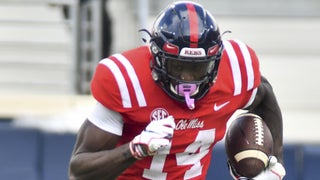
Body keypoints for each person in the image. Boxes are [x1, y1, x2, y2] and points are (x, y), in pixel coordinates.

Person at [68, 1, 286, 179]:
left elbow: (265, 97)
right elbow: (79, 171)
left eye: (198, 68)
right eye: (179, 66)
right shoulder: (128, 82)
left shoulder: (235, 72)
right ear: (156, 57)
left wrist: (274, 164)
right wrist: (134, 150)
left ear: (215, 61)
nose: (187, 79)